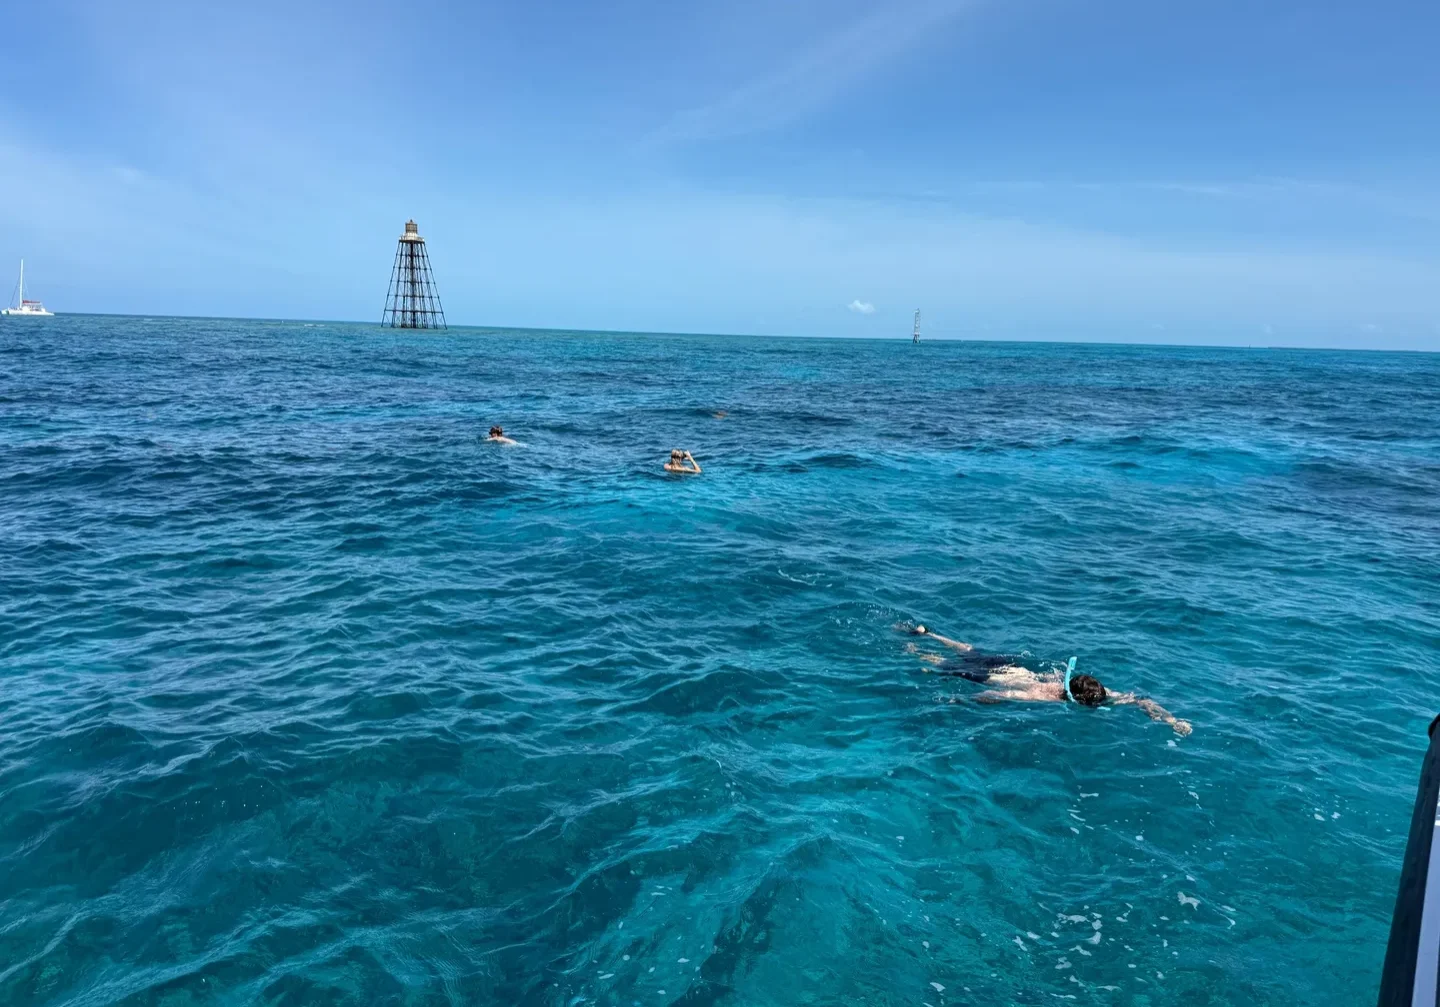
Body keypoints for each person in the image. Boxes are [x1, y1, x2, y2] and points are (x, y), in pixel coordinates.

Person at [904, 624, 1192, 736]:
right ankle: (914, 649)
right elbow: (1000, 697)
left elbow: (1142, 700)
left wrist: (1169, 720)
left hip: (1008, 665)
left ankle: (927, 633)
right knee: (942, 665)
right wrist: (960, 700)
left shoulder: (1094, 690)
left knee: (969, 650)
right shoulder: (1043, 695)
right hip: (992, 677)